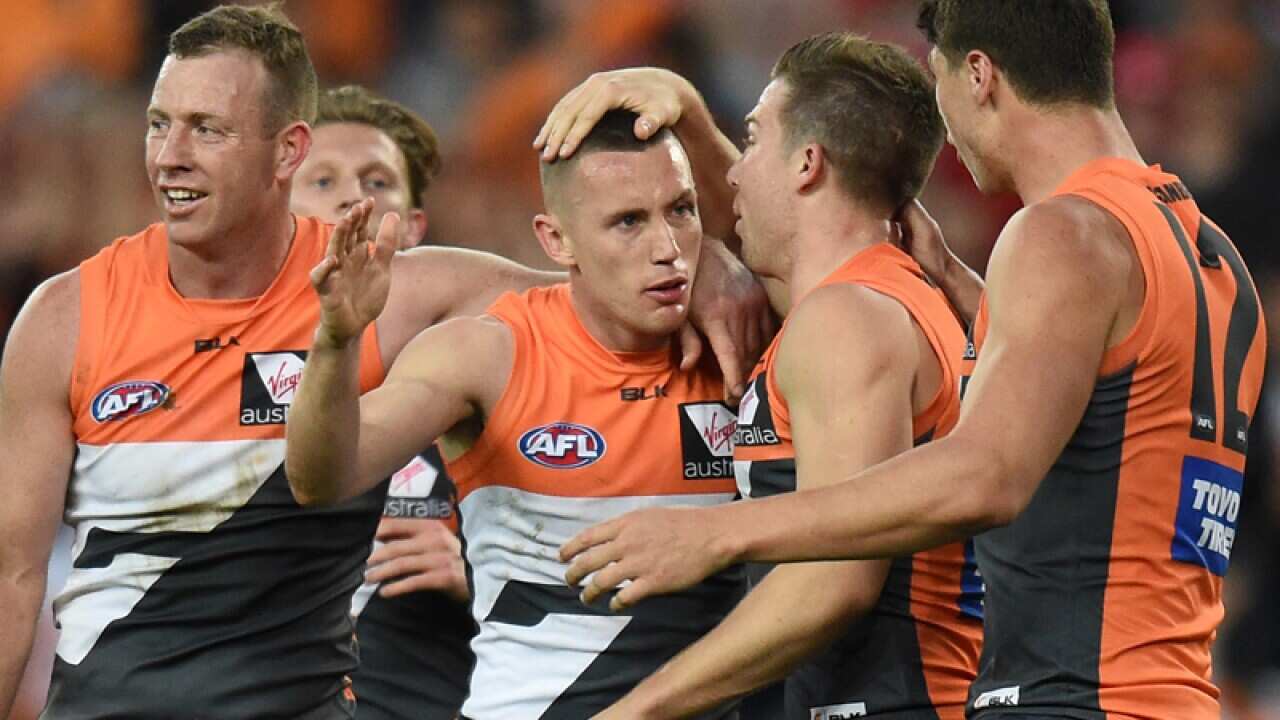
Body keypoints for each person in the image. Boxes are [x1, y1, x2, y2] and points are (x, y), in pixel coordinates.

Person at [0, 5, 766, 717]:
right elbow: (13, 577)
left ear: (285, 149)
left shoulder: (405, 295)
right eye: (159, 124)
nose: (170, 156)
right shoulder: (65, 317)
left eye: (207, 129)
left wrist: (714, 267)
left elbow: (608, 279)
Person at [557, 2, 1267, 719]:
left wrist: (717, 534)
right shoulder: (1208, 254)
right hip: (1171, 694)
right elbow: (1105, 417)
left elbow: (987, 475)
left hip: (1075, 700)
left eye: (942, 83)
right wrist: (962, 286)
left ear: (980, 76)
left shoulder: (1059, 235)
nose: (947, 132)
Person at [534, 34, 981, 720]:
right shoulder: (882, 299)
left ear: (807, 164)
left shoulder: (846, 322)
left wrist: (634, 712)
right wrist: (682, 105)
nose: (735, 174)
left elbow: (835, 583)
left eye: (752, 138)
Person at [285, 110, 745, 719]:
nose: (667, 249)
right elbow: (321, 477)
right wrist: (337, 342)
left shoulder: (746, 344)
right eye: (628, 222)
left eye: (681, 210)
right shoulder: (486, 353)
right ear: (557, 241)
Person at [292, 84, 473, 720]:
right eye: (321, 180)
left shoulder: (491, 383)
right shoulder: (213, 380)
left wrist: (474, 576)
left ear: (416, 227)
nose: (352, 197)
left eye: (377, 180)